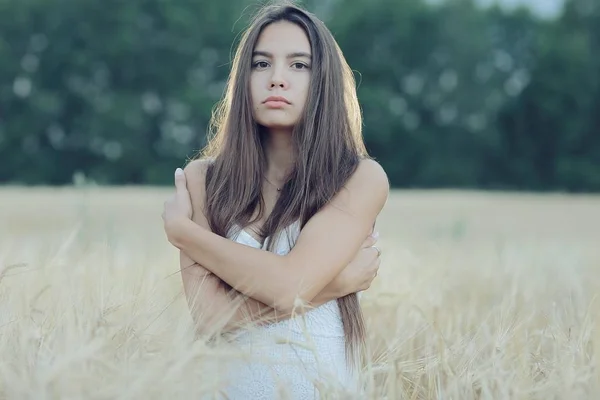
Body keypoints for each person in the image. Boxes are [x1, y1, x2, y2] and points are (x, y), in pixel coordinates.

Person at [162, 2, 389, 398]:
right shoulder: (204, 179)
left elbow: (288, 286)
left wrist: (183, 232)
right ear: (243, 78)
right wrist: (332, 287)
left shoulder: (358, 178)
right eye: (261, 64)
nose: (277, 79)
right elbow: (209, 320)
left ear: (324, 81)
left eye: (299, 65)